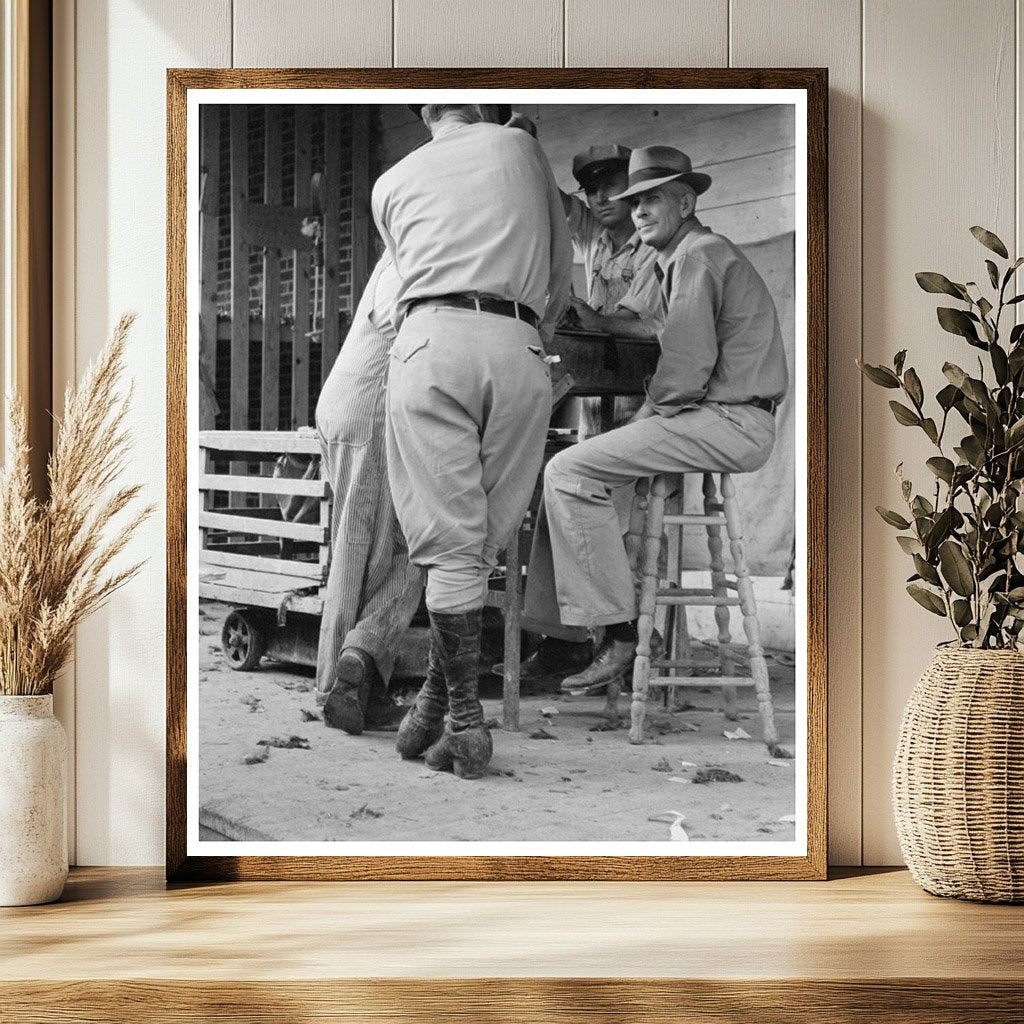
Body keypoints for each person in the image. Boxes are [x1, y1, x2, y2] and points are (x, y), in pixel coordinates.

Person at [523, 145, 789, 695]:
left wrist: (643, 418)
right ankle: (567, 638)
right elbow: (659, 335)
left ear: (687, 202)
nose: (639, 211)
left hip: (730, 421)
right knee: (578, 478)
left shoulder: (697, 256)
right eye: (634, 202)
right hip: (723, 417)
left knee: (569, 473)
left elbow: (685, 369)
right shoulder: (687, 256)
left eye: (652, 200)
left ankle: (620, 635)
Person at [372, 102, 572, 779]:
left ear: (423, 108)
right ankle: (437, 707)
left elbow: (398, 286)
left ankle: (464, 720)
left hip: (428, 341)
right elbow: (561, 272)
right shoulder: (522, 147)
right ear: (488, 101)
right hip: (516, 344)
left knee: (452, 544)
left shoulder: (390, 182)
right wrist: (527, 338)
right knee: (478, 541)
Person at [514, 144, 665, 684]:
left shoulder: (656, 246)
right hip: (597, 396)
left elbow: (646, 327)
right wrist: (522, 137)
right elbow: (552, 199)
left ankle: (626, 638)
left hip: (644, 399)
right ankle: (570, 641)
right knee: (564, 501)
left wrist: (591, 315)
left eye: (612, 187)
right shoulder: (595, 236)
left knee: (608, 519)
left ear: (636, 192)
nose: (601, 198)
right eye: (592, 189)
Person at [316, 253, 424, 735]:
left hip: (354, 404)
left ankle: (359, 683)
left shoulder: (405, 248)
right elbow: (407, 324)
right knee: (386, 554)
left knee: (371, 552)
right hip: (371, 409)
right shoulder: (406, 256)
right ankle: (344, 676)